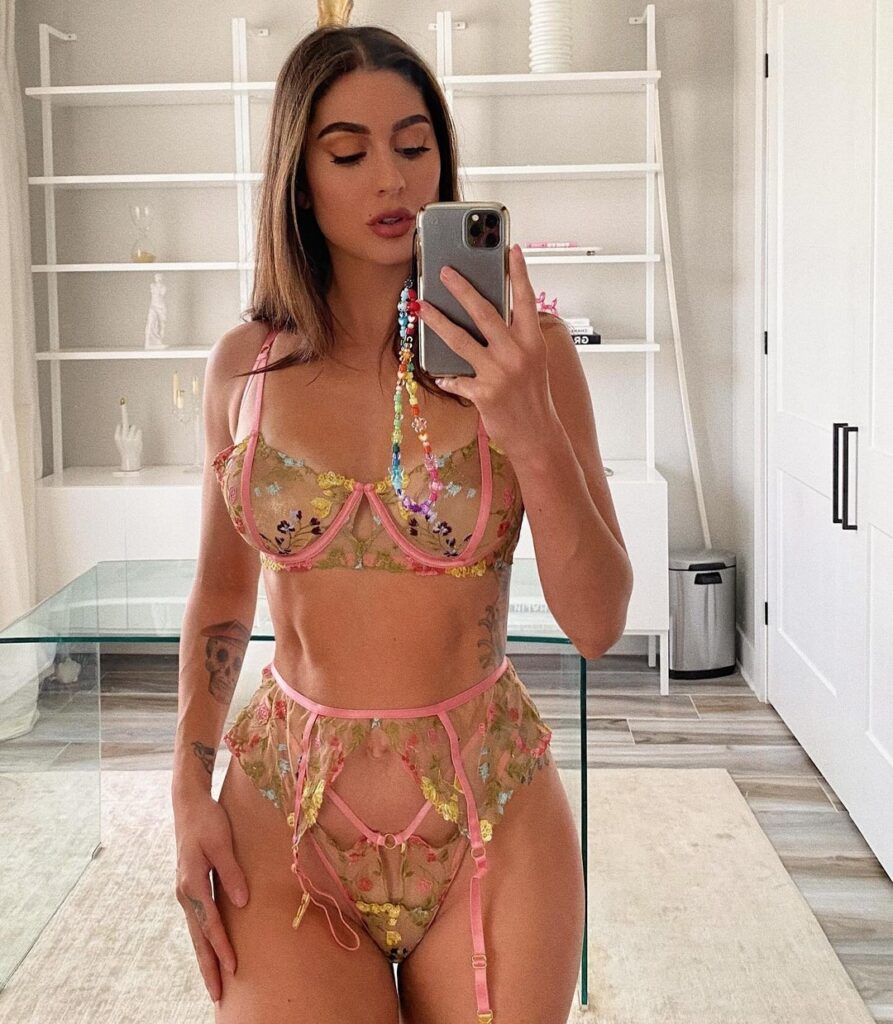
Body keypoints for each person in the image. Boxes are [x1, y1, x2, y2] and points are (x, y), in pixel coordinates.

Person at [172, 23, 632, 1024]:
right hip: (284, 820)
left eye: (413, 145)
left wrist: (529, 428)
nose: (391, 177)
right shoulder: (242, 368)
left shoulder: (534, 355)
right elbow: (220, 596)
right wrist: (185, 790)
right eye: (348, 153)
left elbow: (597, 622)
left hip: (487, 813)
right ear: (299, 180)